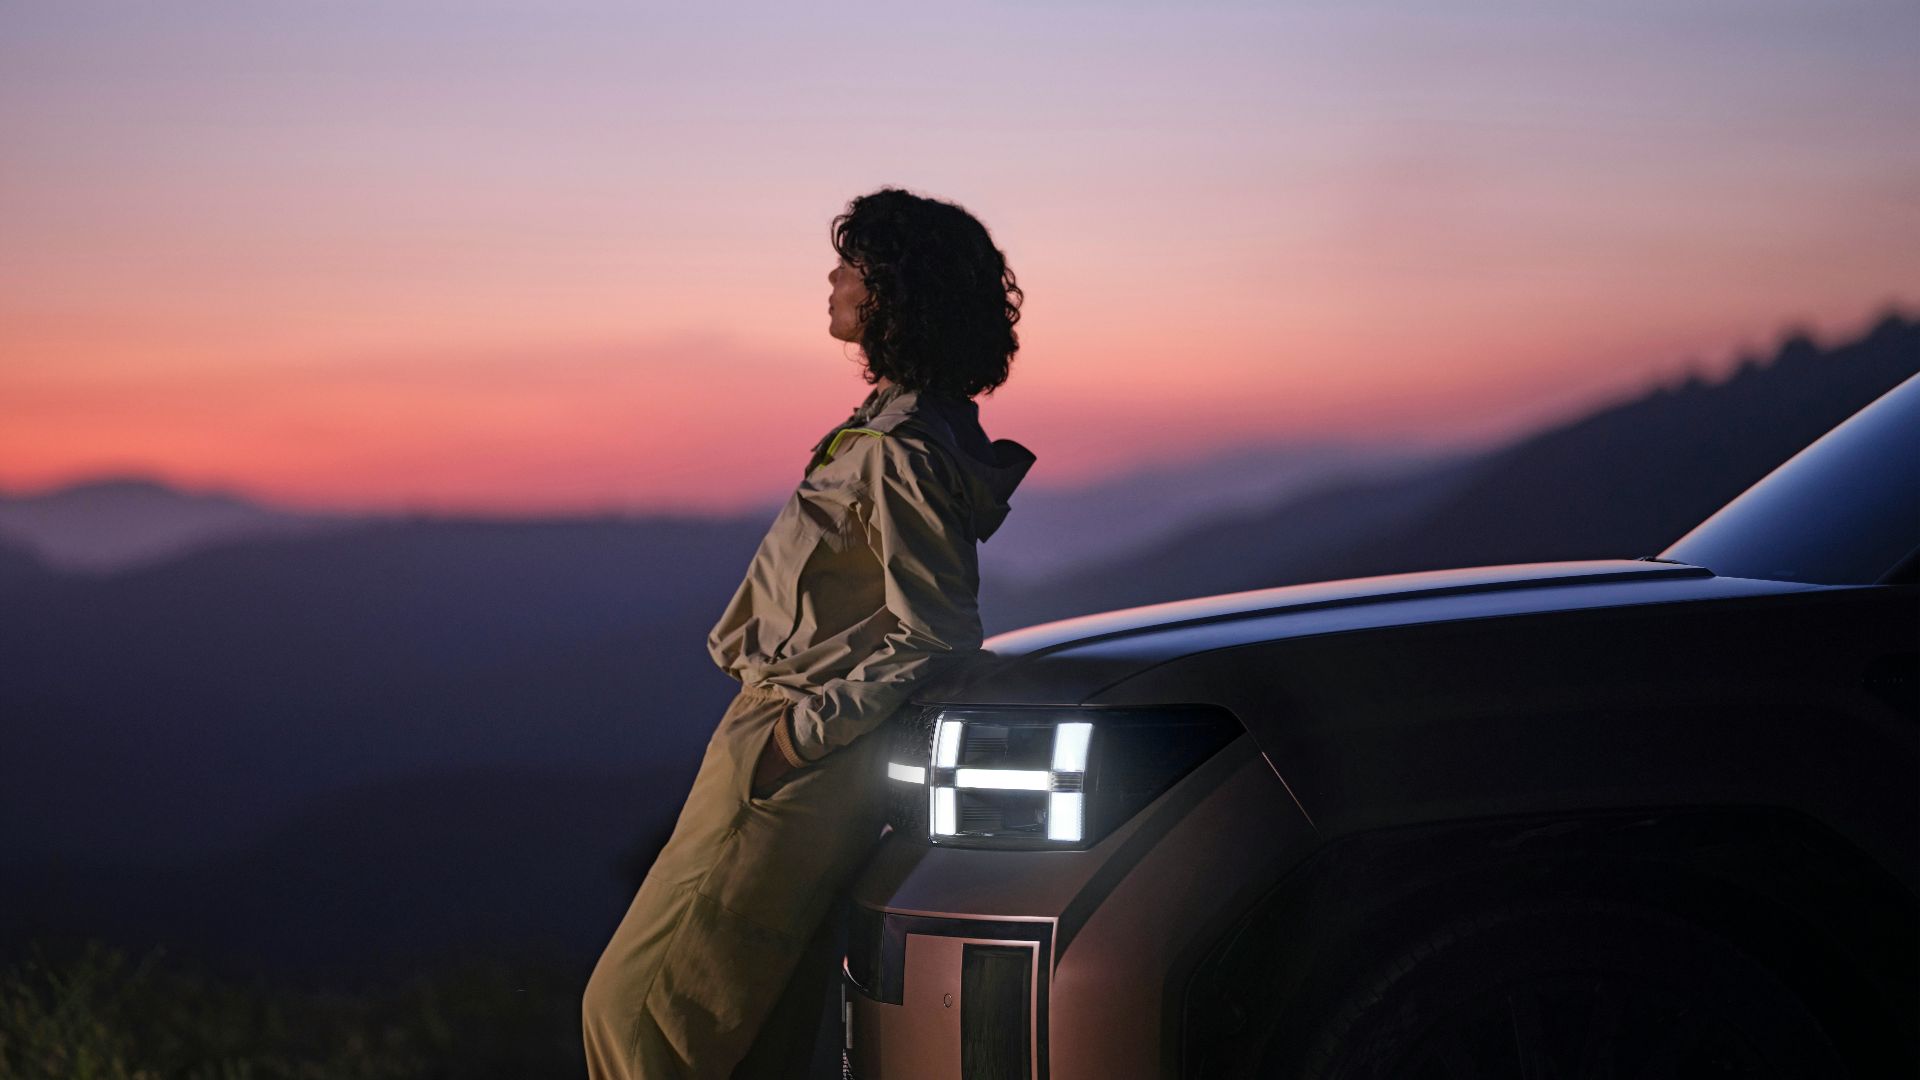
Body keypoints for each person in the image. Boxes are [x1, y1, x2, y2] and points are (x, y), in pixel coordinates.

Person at [583, 187, 1037, 1079]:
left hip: (794, 759)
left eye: (854, 267)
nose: (833, 277)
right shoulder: (899, 428)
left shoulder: (900, 447)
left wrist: (794, 740)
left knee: (643, 1026)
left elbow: (936, 636)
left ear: (896, 294)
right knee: (748, 1029)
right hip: (781, 750)